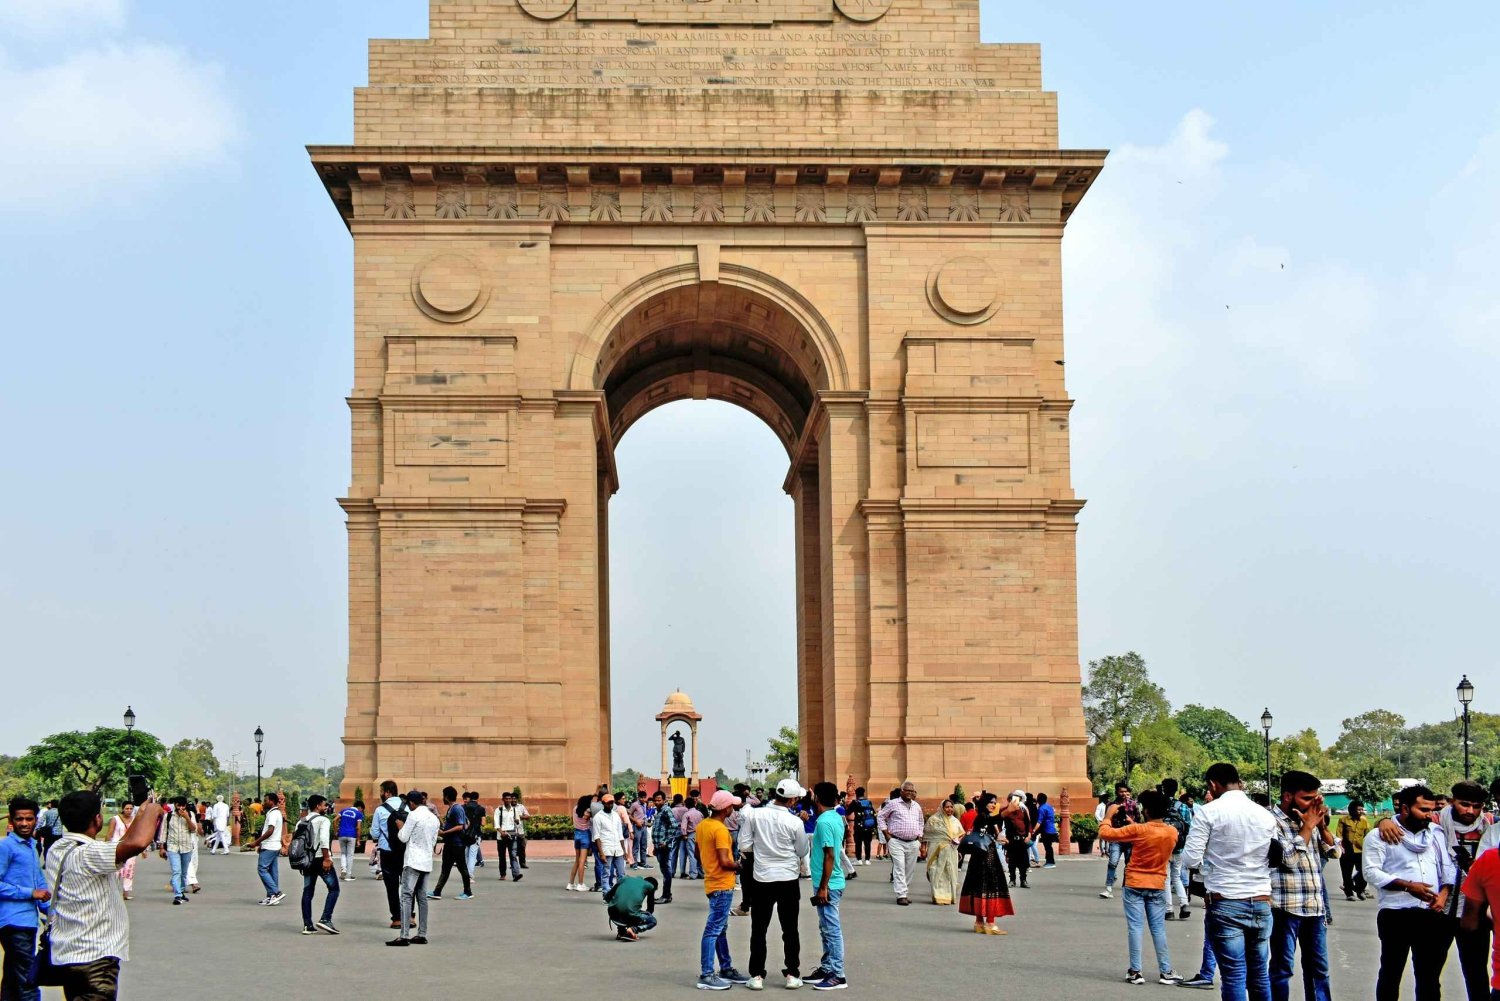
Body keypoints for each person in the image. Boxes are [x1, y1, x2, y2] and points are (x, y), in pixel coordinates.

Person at [43, 790, 162, 1000]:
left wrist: (140, 813)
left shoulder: (59, 848)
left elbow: (121, 845)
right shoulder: (88, 854)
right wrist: (153, 811)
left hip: (69, 954)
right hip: (95, 959)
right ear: (97, 819)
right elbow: (136, 843)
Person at [1181, 763, 1276, 1001]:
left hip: (1226, 900)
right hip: (1261, 899)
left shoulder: (1209, 811)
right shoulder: (1265, 814)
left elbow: (1191, 858)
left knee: (1234, 975)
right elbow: (1274, 856)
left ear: (1213, 785)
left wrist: (1209, 866)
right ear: (1238, 781)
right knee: (1259, 974)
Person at [1363, 783, 1458, 1001]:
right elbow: (1371, 873)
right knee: (1391, 972)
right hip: (1396, 914)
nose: (1429, 815)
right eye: (1423, 810)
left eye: (1432, 810)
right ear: (1405, 809)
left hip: (1430, 913)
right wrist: (1407, 886)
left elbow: (1448, 867)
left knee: (1429, 977)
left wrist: (1443, 895)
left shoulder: (1436, 833)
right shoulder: (1379, 835)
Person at [1098, 789, 1184, 985]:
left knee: (1135, 927)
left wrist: (1109, 814)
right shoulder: (1172, 832)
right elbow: (1152, 832)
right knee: (1158, 928)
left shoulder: (1139, 830)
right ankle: (1166, 971)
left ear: (1146, 810)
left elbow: (1105, 833)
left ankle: (1136, 971)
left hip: (1135, 882)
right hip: (1157, 883)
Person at [1268, 771, 1338, 1001]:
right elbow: (1287, 860)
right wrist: (1307, 828)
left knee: (1319, 970)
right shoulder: (1270, 822)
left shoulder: (1311, 820)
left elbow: (1336, 852)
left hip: (1315, 908)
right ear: (1288, 796)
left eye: (1316, 799)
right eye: (1307, 799)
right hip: (1284, 908)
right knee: (1282, 969)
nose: (1313, 804)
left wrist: (1322, 826)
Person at [739, 779, 808, 990]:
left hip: (762, 877)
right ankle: (792, 974)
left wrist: (762, 852)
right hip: (787, 878)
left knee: (759, 928)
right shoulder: (795, 822)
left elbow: (744, 845)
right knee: (790, 929)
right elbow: (802, 851)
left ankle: (757, 975)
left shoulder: (755, 815)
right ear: (793, 799)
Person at [694, 790, 749, 991]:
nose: (733, 810)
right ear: (726, 808)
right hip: (722, 883)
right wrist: (740, 865)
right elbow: (726, 862)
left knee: (720, 928)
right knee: (714, 929)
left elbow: (697, 852)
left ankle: (725, 967)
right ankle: (707, 974)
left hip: (711, 881)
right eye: (732, 807)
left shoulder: (703, 826)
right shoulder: (720, 830)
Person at [0, 797, 49, 1001]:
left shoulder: (31, 846)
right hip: (13, 923)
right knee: (28, 980)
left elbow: (40, 885)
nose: (24, 823)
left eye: (29, 819)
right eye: (19, 819)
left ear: (36, 820)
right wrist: (29, 893)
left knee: (12, 981)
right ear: (11, 820)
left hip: (28, 922)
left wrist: (51, 911)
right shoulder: (6, 847)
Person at [960, 792, 1024, 934]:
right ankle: (990, 923)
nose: (993, 804)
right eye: (991, 802)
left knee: (979, 887)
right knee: (990, 887)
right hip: (986, 858)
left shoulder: (984, 817)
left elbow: (991, 827)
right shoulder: (982, 816)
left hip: (980, 857)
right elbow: (992, 820)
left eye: (995, 802)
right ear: (984, 803)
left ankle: (979, 922)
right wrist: (1007, 811)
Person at [808, 782, 848, 991]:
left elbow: (830, 855)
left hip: (828, 883)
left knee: (831, 929)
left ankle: (838, 974)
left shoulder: (824, 822)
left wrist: (823, 886)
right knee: (825, 928)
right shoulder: (835, 817)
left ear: (816, 799)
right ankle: (827, 967)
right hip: (830, 881)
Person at [389, 789, 439, 946]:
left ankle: (404, 936)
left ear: (411, 803)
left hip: (413, 860)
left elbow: (403, 837)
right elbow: (433, 842)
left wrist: (400, 826)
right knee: (422, 897)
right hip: (426, 860)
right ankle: (422, 933)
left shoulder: (413, 815)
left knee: (406, 896)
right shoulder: (434, 818)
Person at [877, 781, 926, 906]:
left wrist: (919, 837)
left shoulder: (916, 806)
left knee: (910, 869)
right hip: (896, 841)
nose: (909, 792)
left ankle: (904, 891)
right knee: (899, 867)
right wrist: (887, 835)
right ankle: (901, 895)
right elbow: (881, 816)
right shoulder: (893, 804)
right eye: (907, 790)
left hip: (913, 842)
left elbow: (921, 822)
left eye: (911, 790)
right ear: (901, 791)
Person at [298, 795, 340, 935]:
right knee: (334, 889)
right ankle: (325, 919)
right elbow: (323, 840)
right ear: (317, 806)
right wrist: (327, 858)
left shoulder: (302, 821)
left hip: (307, 860)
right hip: (321, 858)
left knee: (308, 892)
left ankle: (307, 925)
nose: (326, 807)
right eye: (324, 805)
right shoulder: (323, 820)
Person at [370, 780, 405, 928]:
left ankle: (397, 918)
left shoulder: (380, 810)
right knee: (409, 885)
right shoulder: (408, 806)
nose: (380, 794)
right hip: (406, 850)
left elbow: (375, 833)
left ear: (387, 793)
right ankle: (410, 916)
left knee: (391, 886)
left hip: (387, 851)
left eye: (381, 791)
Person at [429, 786, 473, 900]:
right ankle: (437, 891)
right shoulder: (453, 808)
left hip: (456, 844)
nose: (442, 798)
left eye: (443, 795)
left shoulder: (456, 808)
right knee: (446, 868)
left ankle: (467, 892)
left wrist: (444, 833)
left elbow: (460, 826)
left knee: (462, 868)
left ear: (447, 797)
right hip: (451, 844)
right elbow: (465, 823)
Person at [1100, 782, 1140, 900]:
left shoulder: (1133, 804)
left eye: (1124, 791)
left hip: (1129, 838)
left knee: (1129, 865)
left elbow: (1138, 822)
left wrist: (1129, 820)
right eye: (1120, 791)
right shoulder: (1111, 805)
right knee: (1112, 862)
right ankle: (1108, 888)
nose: (1123, 794)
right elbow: (1107, 819)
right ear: (1116, 792)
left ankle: (1127, 887)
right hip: (1116, 838)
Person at [1159, 779, 1192, 919]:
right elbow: (1189, 826)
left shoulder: (1160, 804)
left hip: (1163, 847)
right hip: (1178, 847)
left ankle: (1169, 910)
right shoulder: (1183, 806)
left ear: (1164, 789)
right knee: (1176, 876)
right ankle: (1184, 903)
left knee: (1166, 878)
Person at [248, 792, 286, 906]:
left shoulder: (273, 814)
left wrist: (256, 842)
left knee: (262, 869)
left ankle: (276, 892)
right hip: (273, 846)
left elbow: (270, 830)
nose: (264, 803)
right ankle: (272, 896)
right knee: (272, 871)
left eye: (266, 800)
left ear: (272, 801)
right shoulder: (275, 813)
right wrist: (261, 844)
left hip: (270, 846)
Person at [924, 799, 963, 905]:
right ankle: (938, 896)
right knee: (936, 871)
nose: (949, 809)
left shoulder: (955, 821)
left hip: (951, 850)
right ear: (942, 808)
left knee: (950, 872)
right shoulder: (934, 820)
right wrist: (923, 848)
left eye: (951, 807)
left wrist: (957, 840)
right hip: (936, 850)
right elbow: (926, 835)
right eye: (947, 807)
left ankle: (950, 896)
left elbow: (961, 833)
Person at [159, 798, 198, 906]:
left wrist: (186, 817)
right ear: (175, 805)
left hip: (186, 847)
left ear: (185, 806)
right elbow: (164, 831)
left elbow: (193, 829)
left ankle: (181, 891)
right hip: (173, 847)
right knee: (176, 871)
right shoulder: (169, 816)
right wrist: (162, 847)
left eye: (183, 806)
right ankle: (178, 895)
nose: (181, 808)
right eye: (178, 805)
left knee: (184, 872)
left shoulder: (190, 814)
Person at [605, 874, 658, 942]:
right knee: (652, 920)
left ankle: (621, 932)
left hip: (613, 913)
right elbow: (650, 909)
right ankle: (633, 929)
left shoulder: (625, 879)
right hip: (629, 914)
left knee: (624, 908)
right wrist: (638, 921)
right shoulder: (650, 886)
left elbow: (607, 897)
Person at [593, 791, 628, 895]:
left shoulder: (616, 816)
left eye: (612, 803)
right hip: (606, 848)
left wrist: (624, 850)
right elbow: (596, 836)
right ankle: (606, 894)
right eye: (608, 803)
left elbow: (620, 834)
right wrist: (601, 853)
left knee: (621, 873)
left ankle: (619, 894)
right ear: (603, 803)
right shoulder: (598, 817)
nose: (610, 805)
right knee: (606, 873)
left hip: (618, 848)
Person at [1336, 802, 1372, 901]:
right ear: (1352, 810)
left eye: (1362, 809)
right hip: (1346, 851)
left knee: (1364, 872)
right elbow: (1339, 835)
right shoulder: (1343, 820)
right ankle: (1349, 893)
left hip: (1360, 850)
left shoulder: (1364, 821)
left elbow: (1368, 835)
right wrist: (1340, 847)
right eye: (1358, 809)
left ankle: (1358, 889)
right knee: (1346, 873)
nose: (1361, 811)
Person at [649, 790, 678, 904]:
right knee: (664, 870)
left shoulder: (666, 810)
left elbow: (674, 826)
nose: (656, 802)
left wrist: (666, 840)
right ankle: (666, 895)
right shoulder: (659, 812)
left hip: (665, 846)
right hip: (659, 846)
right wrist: (656, 846)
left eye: (659, 800)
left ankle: (666, 895)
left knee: (666, 871)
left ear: (664, 800)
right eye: (655, 800)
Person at [106, 803, 138, 901]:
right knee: (116, 871)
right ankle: (114, 892)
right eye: (127, 808)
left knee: (129, 870)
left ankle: (126, 892)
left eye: (131, 808)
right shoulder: (115, 819)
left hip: (130, 848)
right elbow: (109, 834)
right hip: (117, 848)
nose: (129, 810)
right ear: (122, 809)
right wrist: (107, 847)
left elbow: (137, 834)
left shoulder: (135, 820)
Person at [495, 791, 528, 882]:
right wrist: (502, 832)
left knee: (513, 855)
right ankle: (503, 874)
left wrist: (517, 821)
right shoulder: (499, 810)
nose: (508, 800)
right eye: (506, 798)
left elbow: (517, 822)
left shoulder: (515, 810)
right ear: (503, 799)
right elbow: (496, 824)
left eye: (509, 798)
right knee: (502, 856)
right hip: (501, 837)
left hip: (512, 836)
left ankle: (516, 874)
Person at [1003, 790, 1032, 889]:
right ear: (1009, 800)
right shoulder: (1005, 811)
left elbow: (1028, 823)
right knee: (1011, 861)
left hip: (1022, 839)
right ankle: (1012, 880)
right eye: (1012, 799)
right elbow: (1000, 824)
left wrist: (1029, 835)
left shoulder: (1023, 809)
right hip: (1010, 840)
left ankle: (1023, 880)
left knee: (1023, 861)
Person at [848, 787, 877, 866]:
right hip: (868, 826)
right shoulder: (869, 802)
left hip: (859, 826)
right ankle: (867, 859)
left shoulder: (855, 802)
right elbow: (873, 813)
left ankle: (859, 859)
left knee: (858, 843)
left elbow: (848, 812)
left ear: (856, 794)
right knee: (868, 843)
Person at [336, 799, 363, 880]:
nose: (362, 811)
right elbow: (358, 827)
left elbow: (334, 820)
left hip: (342, 834)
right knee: (350, 855)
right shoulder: (359, 814)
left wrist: (336, 831)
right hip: (352, 835)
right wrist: (358, 840)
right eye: (362, 809)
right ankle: (349, 874)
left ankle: (343, 869)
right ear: (360, 807)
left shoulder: (343, 810)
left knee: (343, 853)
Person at [1032, 792, 1059, 869]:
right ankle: (1049, 861)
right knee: (1048, 847)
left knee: (1048, 847)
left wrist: (1034, 830)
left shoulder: (1041, 809)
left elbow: (1039, 821)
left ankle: (1051, 862)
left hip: (1046, 830)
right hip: (1052, 829)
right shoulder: (1049, 807)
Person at [680, 797, 705, 880]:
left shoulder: (686, 814)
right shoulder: (700, 813)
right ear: (695, 804)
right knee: (699, 854)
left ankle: (693, 874)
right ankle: (701, 873)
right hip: (700, 834)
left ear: (686, 805)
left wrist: (684, 835)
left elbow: (683, 827)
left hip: (691, 835)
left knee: (692, 854)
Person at [462, 792, 485, 872]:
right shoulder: (481, 808)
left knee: (465, 855)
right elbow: (483, 823)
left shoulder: (463, 807)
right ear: (477, 798)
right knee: (472, 856)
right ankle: (470, 875)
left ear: (469, 798)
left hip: (464, 833)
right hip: (476, 834)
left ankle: (464, 874)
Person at [629, 793, 651, 871]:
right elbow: (629, 815)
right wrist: (636, 821)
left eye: (644, 797)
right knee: (636, 846)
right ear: (638, 797)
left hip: (644, 826)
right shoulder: (634, 805)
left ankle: (643, 863)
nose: (643, 799)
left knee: (644, 846)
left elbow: (644, 815)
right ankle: (634, 863)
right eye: (641, 798)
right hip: (637, 827)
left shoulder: (645, 804)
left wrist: (647, 823)